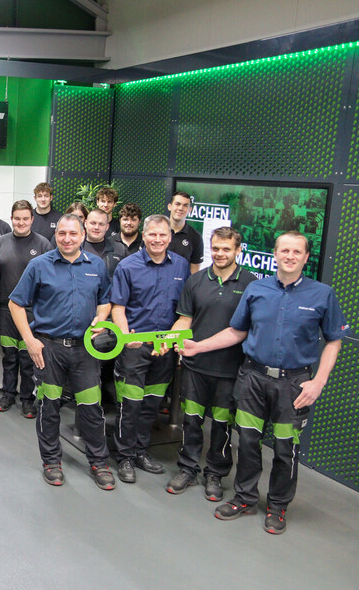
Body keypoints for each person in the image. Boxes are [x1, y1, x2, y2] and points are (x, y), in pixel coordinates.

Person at [182, 231, 347, 534]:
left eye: (296, 252)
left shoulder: (322, 294)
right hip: (253, 379)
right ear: (275, 254)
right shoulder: (257, 289)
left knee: (285, 448)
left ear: (306, 257)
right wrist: (198, 346)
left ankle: (278, 506)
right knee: (247, 442)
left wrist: (318, 382)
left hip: (293, 384)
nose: (290, 256)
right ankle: (244, 498)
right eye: (284, 250)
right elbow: (237, 331)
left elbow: (334, 341)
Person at [9, 214, 116, 490]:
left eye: (73, 234)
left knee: (91, 408)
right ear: (56, 235)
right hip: (49, 349)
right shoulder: (39, 265)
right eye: (62, 234)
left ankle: (99, 462)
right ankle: (51, 462)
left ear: (83, 235)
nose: (67, 239)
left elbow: (105, 300)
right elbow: (15, 304)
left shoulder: (96, 265)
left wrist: (101, 317)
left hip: (85, 350)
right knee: (49, 406)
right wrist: (30, 340)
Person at [166, 227, 257, 500]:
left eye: (226, 249)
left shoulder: (251, 284)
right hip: (195, 367)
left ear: (238, 250)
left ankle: (215, 473)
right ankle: (187, 468)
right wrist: (168, 340)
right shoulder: (195, 281)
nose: (220, 253)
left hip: (230, 370)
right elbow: (184, 319)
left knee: (221, 425)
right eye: (215, 248)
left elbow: (248, 329)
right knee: (191, 421)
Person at [111, 214, 190, 483]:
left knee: (151, 405)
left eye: (162, 235)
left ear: (170, 237)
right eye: (152, 234)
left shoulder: (181, 266)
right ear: (143, 236)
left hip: (164, 350)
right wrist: (124, 337)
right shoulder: (127, 266)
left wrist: (171, 341)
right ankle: (124, 456)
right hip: (135, 348)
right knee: (130, 405)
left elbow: (184, 312)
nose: (157, 239)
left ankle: (140, 452)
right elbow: (118, 308)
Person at [0, 200, 53, 417]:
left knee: (28, 358)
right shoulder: (1, 242)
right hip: (6, 310)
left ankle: (27, 399)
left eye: (25, 218)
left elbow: (49, 279)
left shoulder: (43, 244)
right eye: (17, 218)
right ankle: (8, 394)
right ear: (11, 219)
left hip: (32, 311)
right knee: (9, 356)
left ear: (32, 219)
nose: (21, 222)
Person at [167, 191, 204, 274]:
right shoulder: (157, 231)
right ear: (170, 206)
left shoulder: (196, 237)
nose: (181, 208)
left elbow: (194, 272)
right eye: (177, 204)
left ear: (190, 210)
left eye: (185, 205)